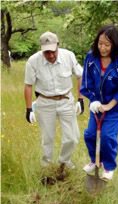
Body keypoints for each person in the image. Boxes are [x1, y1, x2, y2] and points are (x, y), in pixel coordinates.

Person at [24, 31, 84, 175]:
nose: (50, 55)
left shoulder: (68, 56)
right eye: (46, 53)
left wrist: (80, 99)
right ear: (41, 50)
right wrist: (28, 109)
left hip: (66, 100)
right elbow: (28, 85)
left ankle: (64, 162)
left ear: (58, 45)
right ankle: (46, 166)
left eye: (53, 51)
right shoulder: (33, 61)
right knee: (47, 138)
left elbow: (81, 76)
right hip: (45, 102)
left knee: (72, 137)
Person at [80, 24, 118, 180]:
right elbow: (86, 82)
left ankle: (109, 167)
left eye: (107, 45)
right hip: (97, 103)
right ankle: (95, 160)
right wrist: (94, 101)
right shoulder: (91, 57)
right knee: (90, 134)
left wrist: (108, 106)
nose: (102, 48)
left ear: (114, 44)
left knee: (107, 136)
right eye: (100, 43)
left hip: (116, 105)